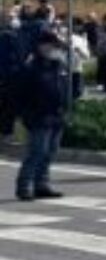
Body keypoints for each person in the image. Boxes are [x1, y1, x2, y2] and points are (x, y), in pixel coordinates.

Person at [14, 26, 70, 202]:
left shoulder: (57, 65)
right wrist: (26, 115)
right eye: (52, 45)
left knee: (50, 152)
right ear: (42, 46)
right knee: (36, 152)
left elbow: (63, 89)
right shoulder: (31, 67)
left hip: (56, 115)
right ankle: (25, 186)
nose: (55, 49)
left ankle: (42, 184)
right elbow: (20, 93)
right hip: (38, 116)